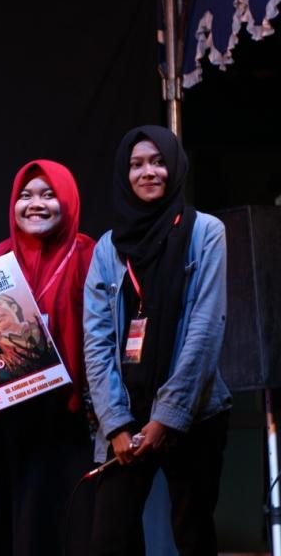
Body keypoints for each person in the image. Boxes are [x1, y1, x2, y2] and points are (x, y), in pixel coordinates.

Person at [84, 125, 232, 555]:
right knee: (109, 540)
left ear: (175, 166)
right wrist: (115, 424)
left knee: (193, 535)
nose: (148, 172)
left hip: (195, 413)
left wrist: (166, 417)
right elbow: (96, 340)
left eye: (158, 161)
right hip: (126, 418)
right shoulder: (108, 248)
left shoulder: (206, 232)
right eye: (136, 164)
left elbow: (205, 329)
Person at [0, 160, 97, 556]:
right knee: (14, 529)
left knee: (66, 528)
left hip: (69, 422)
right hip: (10, 424)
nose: (35, 204)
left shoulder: (89, 256)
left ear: (68, 201)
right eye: (25, 196)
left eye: (48, 195)